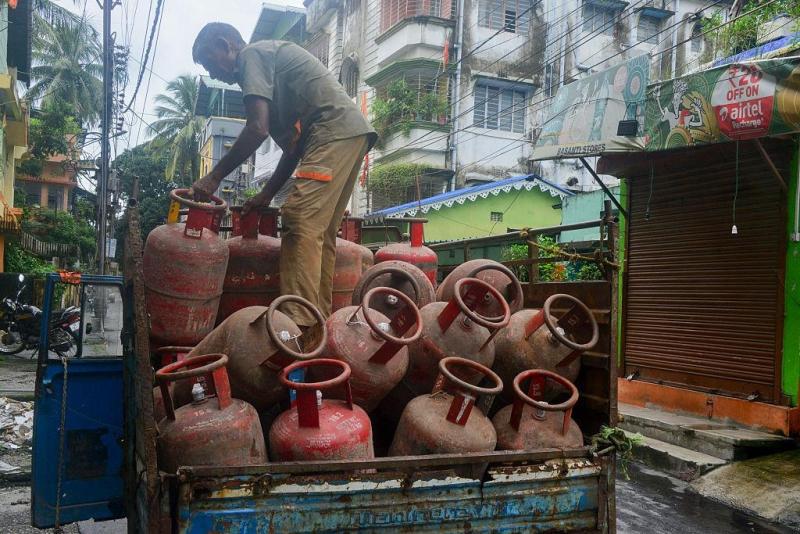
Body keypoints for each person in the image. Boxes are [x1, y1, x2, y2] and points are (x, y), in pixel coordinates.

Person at [189, 23, 376, 341]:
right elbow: (292, 149)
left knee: (300, 219)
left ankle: (297, 326)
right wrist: (266, 193)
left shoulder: (251, 56)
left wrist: (213, 177)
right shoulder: (267, 69)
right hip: (349, 133)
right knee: (319, 233)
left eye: (210, 62)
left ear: (225, 45)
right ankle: (318, 327)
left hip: (332, 130)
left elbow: (256, 129)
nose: (213, 72)